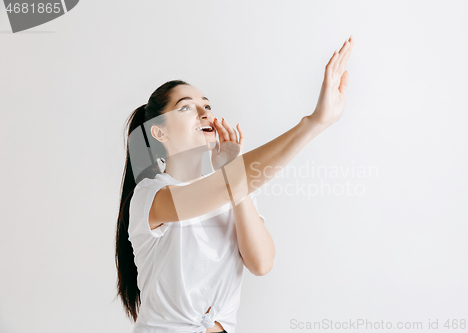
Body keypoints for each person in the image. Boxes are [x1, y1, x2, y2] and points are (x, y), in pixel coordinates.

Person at [115, 35, 355, 333]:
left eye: (207, 105)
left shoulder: (234, 189)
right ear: (158, 133)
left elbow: (261, 263)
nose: (205, 113)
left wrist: (233, 176)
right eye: (186, 107)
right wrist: (314, 123)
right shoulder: (150, 195)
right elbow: (217, 190)